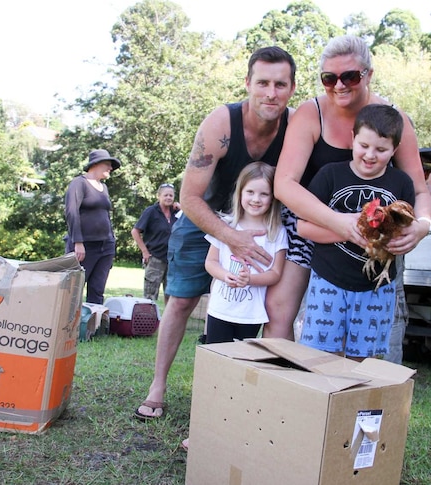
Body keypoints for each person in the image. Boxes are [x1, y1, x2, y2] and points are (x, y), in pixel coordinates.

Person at [134, 46, 296, 421]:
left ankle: (249, 398)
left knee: (265, 308)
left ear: (291, 89)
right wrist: (230, 237)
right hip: (203, 216)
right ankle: (158, 386)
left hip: (261, 223)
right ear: (247, 83)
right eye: (263, 83)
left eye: (280, 85)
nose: (271, 93)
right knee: (181, 299)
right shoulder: (220, 124)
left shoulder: (296, 126)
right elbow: (188, 198)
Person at [269, 35, 431, 347]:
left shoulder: (393, 120)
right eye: (329, 78)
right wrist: (339, 223)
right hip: (314, 226)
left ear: (369, 74)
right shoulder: (310, 113)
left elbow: (419, 189)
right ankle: (288, 389)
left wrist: (424, 226)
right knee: (280, 312)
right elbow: (284, 185)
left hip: (376, 249)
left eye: (350, 76)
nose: (339, 85)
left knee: (379, 338)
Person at [297, 104, 415, 359]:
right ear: (352, 139)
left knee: (365, 361)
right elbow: (303, 226)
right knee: (319, 358)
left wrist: (403, 236)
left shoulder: (401, 183)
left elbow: (405, 232)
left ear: (394, 150)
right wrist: (351, 230)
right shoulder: (330, 175)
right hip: (329, 280)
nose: (370, 155)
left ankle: (356, 401)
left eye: (381, 150)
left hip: (376, 288)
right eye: (364, 146)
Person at [204, 162, 287, 343]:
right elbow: (210, 262)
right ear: (240, 192)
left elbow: (276, 273)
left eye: (264, 194)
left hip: (250, 314)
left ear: (272, 198)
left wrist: (250, 280)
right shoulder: (226, 225)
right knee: (215, 357)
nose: (256, 199)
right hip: (220, 309)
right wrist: (226, 275)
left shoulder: (277, 232)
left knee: (239, 361)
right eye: (250, 192)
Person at [64, 149, 121, 304]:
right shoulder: (79, 183)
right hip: (84, 246)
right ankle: (67, 326)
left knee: (97, 289)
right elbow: (71, 212)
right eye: (108, 164)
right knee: (74, 289)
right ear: (95, 164)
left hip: (106, 245)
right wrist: (78, 242)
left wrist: (111, 239)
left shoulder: (104, 188)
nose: (110, 168)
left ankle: (93, 326)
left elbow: (105, 215)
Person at [131, 183, 179, 304]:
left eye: (171, 195)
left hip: (173, 259)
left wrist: (182, 208)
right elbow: (135, 231)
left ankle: (168, 322)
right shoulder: (151, 212)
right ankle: (148, 321)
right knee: (150, 296)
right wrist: (145, 251)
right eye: (165, 195)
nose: (168, 197)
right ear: (158, 196)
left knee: (172, 295)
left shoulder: (177, 213)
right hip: (155, 258)